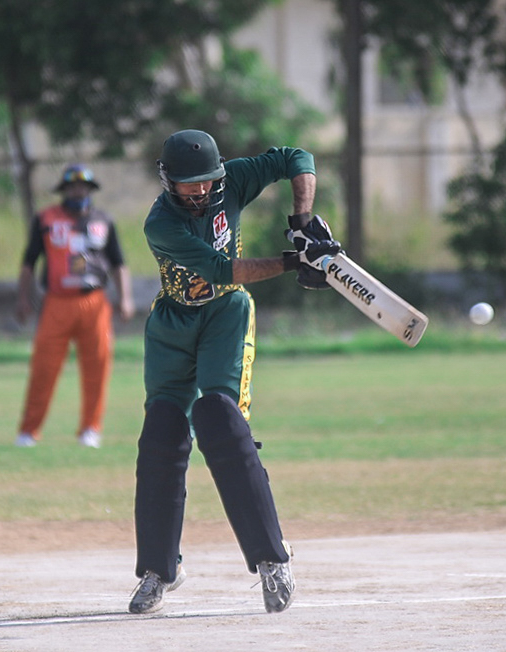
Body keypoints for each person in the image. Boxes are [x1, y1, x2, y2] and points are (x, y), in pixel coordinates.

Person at [128, 129, 341, 614]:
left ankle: (272, 559)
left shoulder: (232, 182)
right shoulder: (161, 223)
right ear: (167, 182)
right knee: (161, 433)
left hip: (226, 316)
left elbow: (296, 157)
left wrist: (303, 221)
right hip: (172, 323)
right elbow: (222, 269)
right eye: (189, 184)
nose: (200, 190)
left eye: (207, 180)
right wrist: (296, 261)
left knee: (220, 418)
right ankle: (160, 569)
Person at [14, 164, 134, 449]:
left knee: (97, 367)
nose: (78, 191)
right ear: (64, 190)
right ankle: (29, 430)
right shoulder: (46, 219)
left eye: (83, 186)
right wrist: (23, 298)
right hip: (57, 302)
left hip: (94, 302)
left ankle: (91, 428)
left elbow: (118, 263)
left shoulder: (104, 220)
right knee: (44, 367)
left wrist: (125, 298)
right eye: (72, 186)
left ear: (90, 189)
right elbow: (29, 262)